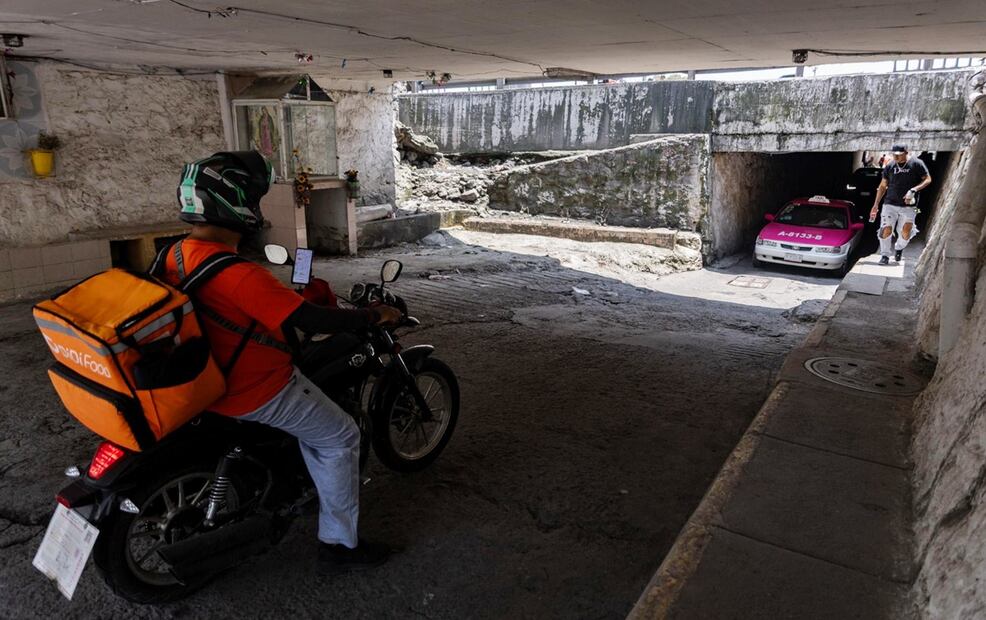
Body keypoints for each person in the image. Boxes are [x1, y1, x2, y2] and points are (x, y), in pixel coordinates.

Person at [161, 150, 402, 571]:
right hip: (255, 389)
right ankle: (340, 546)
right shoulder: (237, 273)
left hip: (204, 377)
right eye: (254, 198)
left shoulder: (175, 254)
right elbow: (310, 318)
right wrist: (371, 315)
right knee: (342, 436)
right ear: (238, 205)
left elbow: (264, 310)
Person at [869, 145, 932, 265]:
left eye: (899, 154)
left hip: (909, 206)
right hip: (890, 203)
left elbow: (927, 179)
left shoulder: (916, 163)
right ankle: (885, 255)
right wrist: (876, 204)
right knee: (886, 229)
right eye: (894, 154)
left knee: (906, 231)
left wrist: (914, 190)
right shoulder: (890, 166)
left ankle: (899, 248)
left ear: (906, 152)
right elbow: (883, 186)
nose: (896, 156)